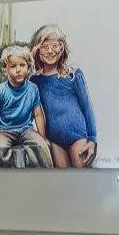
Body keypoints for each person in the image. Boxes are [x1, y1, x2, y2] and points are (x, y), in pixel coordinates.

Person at [29, 24, 98, 167]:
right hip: (54, 140)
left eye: (55, 46)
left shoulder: (73, 75)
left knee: (81, 175)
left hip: (78, 136)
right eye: (44, 47)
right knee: (62, 177)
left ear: (62, 48)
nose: (50, 51)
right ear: (37, 50)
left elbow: (86, 106)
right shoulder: (35, 80)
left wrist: (92, 139)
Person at [0, 45, 53, 167]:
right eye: (13, 66)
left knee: (41, 145)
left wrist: (43, 137)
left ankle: (45, 175)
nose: (18, 70)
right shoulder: (0, 91)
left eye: (22, 65)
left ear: (28, 67)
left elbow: (38, 114)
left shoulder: (32, 89)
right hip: (4, 131)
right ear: (5, 70)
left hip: (26, 130)